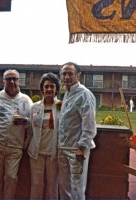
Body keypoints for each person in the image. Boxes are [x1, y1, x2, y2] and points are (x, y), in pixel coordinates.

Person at [0, 69, 33, 200]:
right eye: (9, 79)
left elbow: (33, 124)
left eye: (15, 79)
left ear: (19, 81)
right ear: (3, 81)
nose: (12, 81)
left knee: (11, 177)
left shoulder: (26, 100)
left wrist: (25, 142)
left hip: (15, 147)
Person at [58, 62, 97, 200]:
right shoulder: (67, 94)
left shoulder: (84, 94)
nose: (67, 77)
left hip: (76, 149)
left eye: (70, 73)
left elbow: (89, 126)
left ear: (78, 75)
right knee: (64, 186)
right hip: (62, 148)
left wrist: (81, 147)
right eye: (64, 74)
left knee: (77, 189)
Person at [28, 73, 60, 200]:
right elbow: (30, 127)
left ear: (56, 88)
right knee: (36, 185)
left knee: (52, 186)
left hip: (54, 153)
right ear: (42, 89)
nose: (49, 89)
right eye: (46, 87)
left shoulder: (61, 106)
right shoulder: (34, 107)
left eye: (52, 86)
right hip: (36, 153)